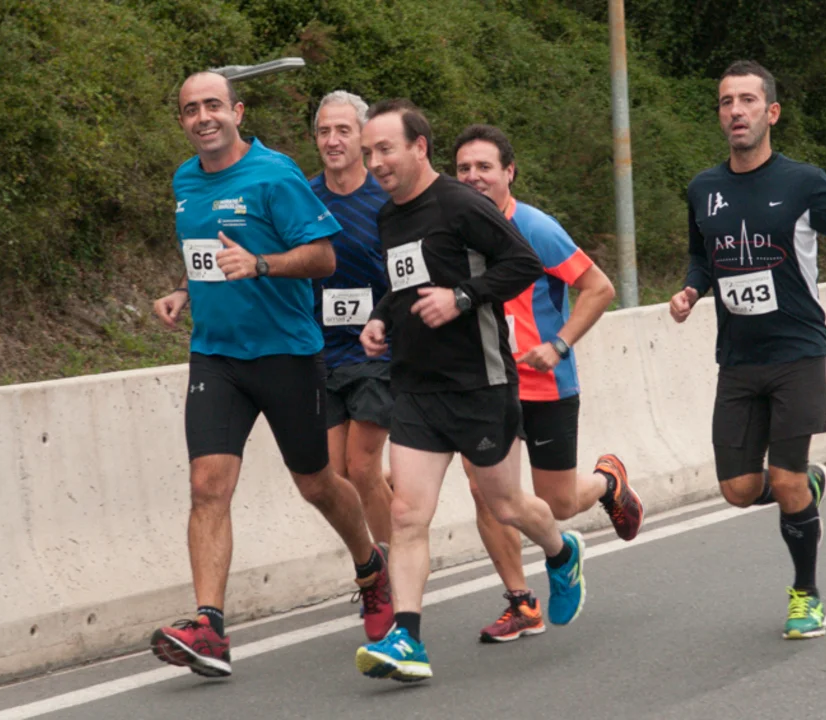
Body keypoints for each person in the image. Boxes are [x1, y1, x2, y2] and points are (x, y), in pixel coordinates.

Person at [148, 72, 393, 678]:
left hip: (286, 354)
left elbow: (323, 257)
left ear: (237, 112)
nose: (203, 117)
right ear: (181, 122)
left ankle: (371, 567)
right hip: (216, 356)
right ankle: (209, 627)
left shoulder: (276, 174)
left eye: (213, 105)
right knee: (207, 485)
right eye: (190, 110)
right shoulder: (184, 181)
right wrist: (183, 290)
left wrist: (261, 264)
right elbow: (205, 255)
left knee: (317, 483)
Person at [353, 99, 587, 682]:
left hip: (480, 383)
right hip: (416, 387)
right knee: (407, 514)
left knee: (507, 505)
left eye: (385, 149)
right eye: (368, 152)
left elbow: (523, 263)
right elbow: (403, 283)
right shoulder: (388, 217)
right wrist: (380, 317)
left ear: (419, 147)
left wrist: (461, 298)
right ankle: (407, 638)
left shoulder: (461, 204)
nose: (375, 162)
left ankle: (562, 552)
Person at [669, 60, 826, 639]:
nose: (736, 111)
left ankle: (806, 594)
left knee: (785, 479)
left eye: (747, 100)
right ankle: (806, 488)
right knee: (738, 490)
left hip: (798, 352)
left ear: (771, 112)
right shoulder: (703, 189)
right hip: (737, 359)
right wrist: (692, 289)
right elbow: (702, 256)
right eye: (726, 102)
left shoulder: (804, 183)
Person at [453, 124, 644, 643]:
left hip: (544, 384)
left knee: (557, 504)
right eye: (464, 168)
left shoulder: (535, 228)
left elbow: (598, 288)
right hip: (488, 386)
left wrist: (559, 343)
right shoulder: (453, 230)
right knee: (485, 492)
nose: (473, 177)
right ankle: (521, 602)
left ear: (509, 172)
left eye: (484, 167)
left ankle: (607, 482)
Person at [308, 90, 394, 555]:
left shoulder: (386, 199)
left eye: (343, 130)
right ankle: (378, 548)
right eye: (324, 131)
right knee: (334, 476)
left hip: (376, 351)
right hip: (320, 353)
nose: (332, 140)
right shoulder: (304, 197)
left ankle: (393, 567)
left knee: (361, 468)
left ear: (362, 138)